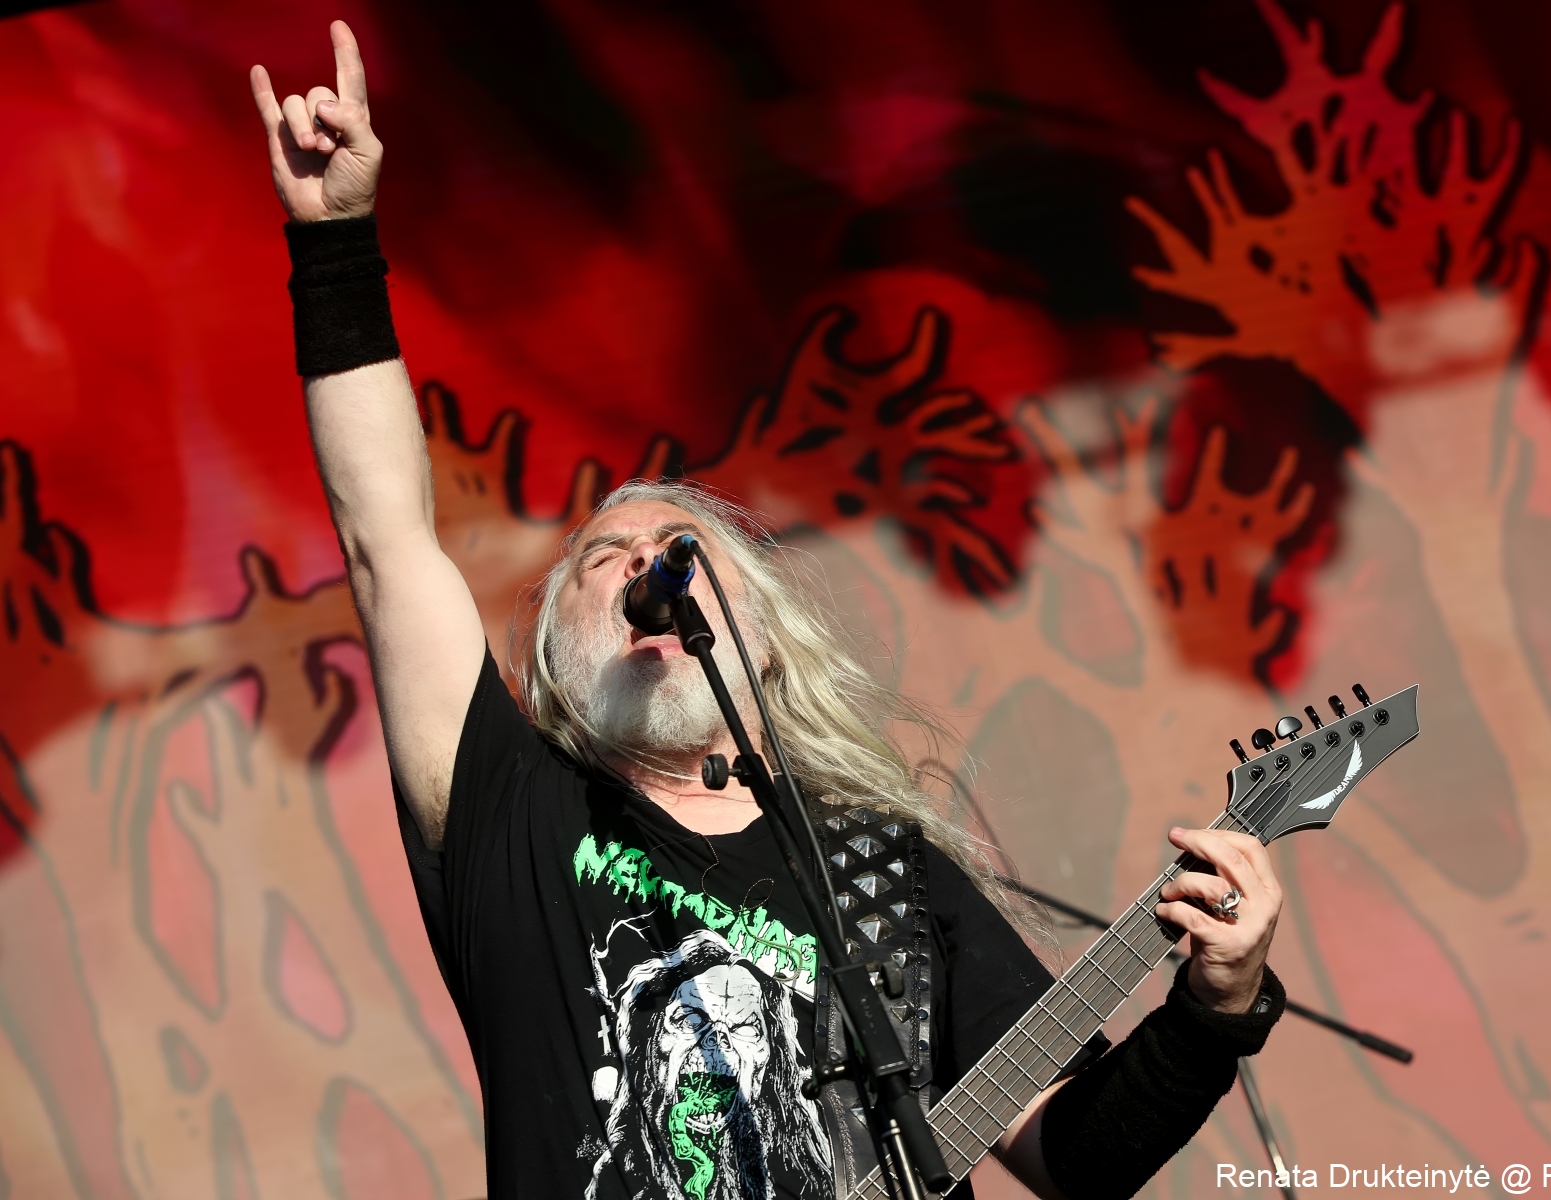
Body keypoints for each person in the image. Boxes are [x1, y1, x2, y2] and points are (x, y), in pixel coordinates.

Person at [249, 23, 1287, 1200]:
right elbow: (385, 543)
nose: (646, 567)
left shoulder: (884, 870)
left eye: (680, 552)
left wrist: (1217, 1007)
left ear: (764, 641)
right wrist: (334, 243)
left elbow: (1075, 1157)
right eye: (604, 560)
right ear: (561, 654)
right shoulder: (512, 807)